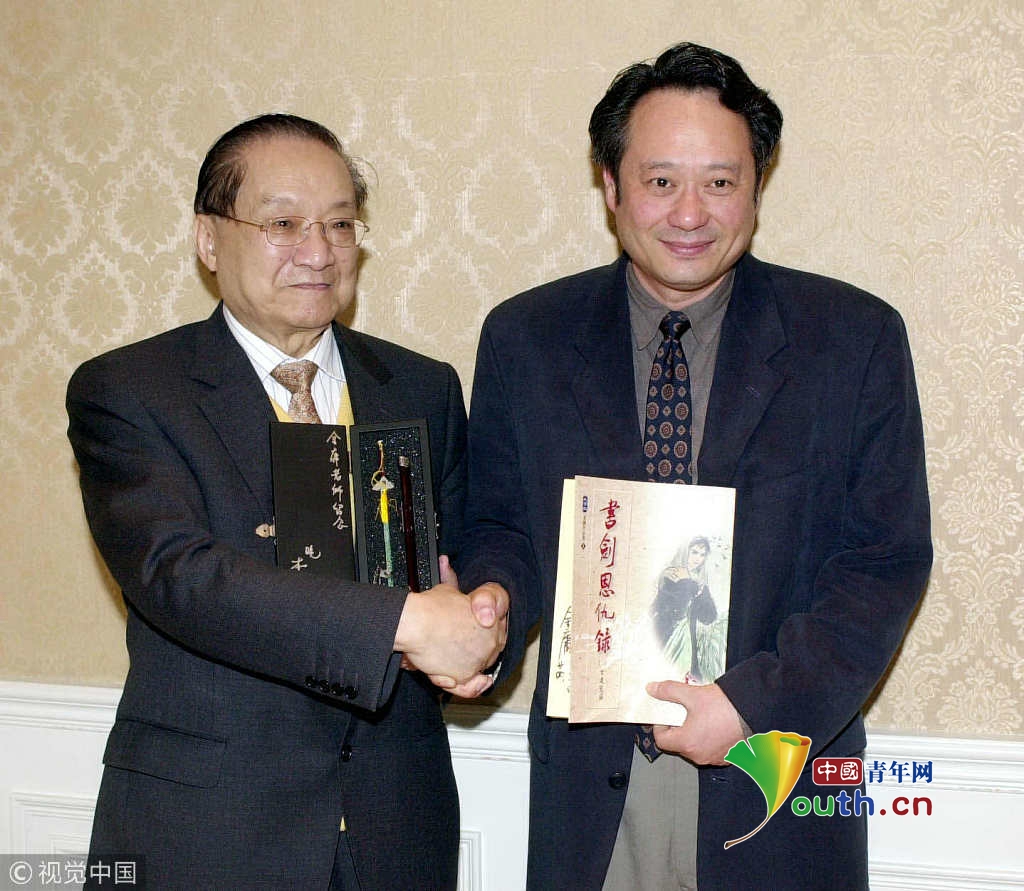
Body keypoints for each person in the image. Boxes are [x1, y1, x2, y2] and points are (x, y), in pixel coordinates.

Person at [456, 43, 932, 889]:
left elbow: (883, 563)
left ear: (757, 187)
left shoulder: (852, 340)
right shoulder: (525, 339)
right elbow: (502, 527)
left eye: (719, 181)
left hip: (773, 778)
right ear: (610, 186)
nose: (689, 212)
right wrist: (491, 600)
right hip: (592, 788)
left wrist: (753, 705)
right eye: (660, 179)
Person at [67, 113, 505, 890]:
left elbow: (468, 555)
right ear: (208, 239)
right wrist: (406, 623)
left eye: (340, 223)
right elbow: (183, 576)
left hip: (394, 829)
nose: (319, 249)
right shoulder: (131, 391)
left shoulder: (421, 387)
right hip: (208, 832)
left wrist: (485, 621)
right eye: (282, 224)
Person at [651, 536, 718, 682]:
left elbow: (709, 617)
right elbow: (674, 609)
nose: (697, 559)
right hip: (667, 634)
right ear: (685, 551)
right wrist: (690, 585)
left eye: (702, 555)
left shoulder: (700, 582)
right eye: (694, 552)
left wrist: (701, 595)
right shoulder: (671, 575)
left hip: (687, 640)